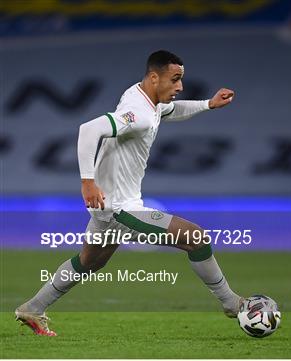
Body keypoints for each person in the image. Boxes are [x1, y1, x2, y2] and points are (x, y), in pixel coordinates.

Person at [15, 50, 242, 336]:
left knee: (89, 262)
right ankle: (232, 303)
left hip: (108, 205)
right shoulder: (139, 115)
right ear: (154, 77)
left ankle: (33, 308)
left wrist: (207, 104)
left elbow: (173, 111)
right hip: (120, 208)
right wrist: (87, 182)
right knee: (196, 238)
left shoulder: (144, 98)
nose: (180, 87)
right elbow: (88, 130)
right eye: (175, 80)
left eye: (181, 80)